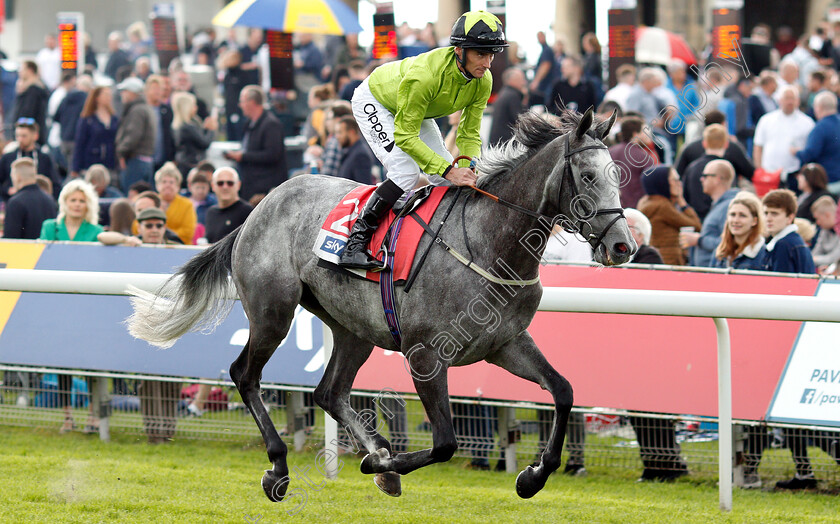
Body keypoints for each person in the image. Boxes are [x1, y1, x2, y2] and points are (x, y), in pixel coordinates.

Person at [339, 10, 507, 270]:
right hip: (376, 101)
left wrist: (470, 164)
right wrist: (450, 171)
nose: (487, 63)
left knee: (444, 175)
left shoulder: (483, 80)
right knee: (406, 172)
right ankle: (355, 243)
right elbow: (406, 137)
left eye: (492, 54)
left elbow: (469, 133)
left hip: (416, 109)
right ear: (460, 51)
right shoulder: (425, 75)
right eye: (481, 54)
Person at [224, 85, 287, 201]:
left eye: (242, 101)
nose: (240, 105)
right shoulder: (249, 123)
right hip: (250, 185)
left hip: (264, 188)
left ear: (251, 102)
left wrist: (242, 156)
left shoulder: (271, 124)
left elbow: (273, 154)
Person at [680, 159, 739, 267]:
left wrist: (699, 240)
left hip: (715, 274)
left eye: (706, 176)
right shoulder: (720, 205)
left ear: (717, 179)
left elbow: (730, 242)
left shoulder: (728, 206)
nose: (701, 179)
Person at [637, 165, 701, 266]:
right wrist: (682, 202)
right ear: (662, 183)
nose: (679, 183)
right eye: (675, 180)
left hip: (657, 259)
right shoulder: (663, 207)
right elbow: (696, 225)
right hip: (669, 262)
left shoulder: (646, 201)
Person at [674, 111, 754, 187]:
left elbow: (677, 175)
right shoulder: (732, 148)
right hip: (726, 195)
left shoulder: (690, 148)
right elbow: (750, 173)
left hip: (695, 197)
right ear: (723, 124)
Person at [753, 86, 814, 178]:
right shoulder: (766, 120)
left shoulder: (807, 122)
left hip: (795, 173)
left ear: (798, 101)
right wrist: (759, 170)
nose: (790, 102)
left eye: (792, 98)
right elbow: (758, 146)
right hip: (769, 172)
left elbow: (811, 150)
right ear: (779, 100)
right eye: (787, 98)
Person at [0, 119, 59, 201]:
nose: (20, 139)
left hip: (39, 203)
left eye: (24, 136)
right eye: (17, 136)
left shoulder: (44, 158)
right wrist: (7, 190)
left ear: (35, 136)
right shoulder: (8, 157)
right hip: (13, 202)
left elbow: (56, 185)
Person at [115, 77, 156, 192]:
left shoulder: (137, 110)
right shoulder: (145, 108)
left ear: (132, 92)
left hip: (135, 161)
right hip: (145, 160)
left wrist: (121, 153)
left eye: (125, 90)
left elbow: (133, 136)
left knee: (132, 195)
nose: (122, 94)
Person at [794, 91, 840, 193]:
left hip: (828, 181)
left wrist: (796, 152)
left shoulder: (820, 128)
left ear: (819, 107)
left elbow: (810, 154)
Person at [72, 85, 119, 180]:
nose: (108, 97)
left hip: (110, 162)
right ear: (97, 97)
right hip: (91, 161)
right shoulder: (88, 119)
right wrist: (75, 167)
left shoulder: (114, 118)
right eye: (105, 95)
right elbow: (80, 143)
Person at [3, 158, 57, 239]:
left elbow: (11, 239)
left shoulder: (15, 202)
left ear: (17, 177)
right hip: (46, 250)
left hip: (24, 251)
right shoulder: (50, 200)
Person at [609, 116, 656, 209]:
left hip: (611, 209)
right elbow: (652, 187)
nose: (649, 135)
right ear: (635, 134)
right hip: (637, 209)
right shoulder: (644, 157)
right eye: (645, 131)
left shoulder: (608, 152)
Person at [712, 191, 767, 270]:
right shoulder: (720, 251)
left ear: (754, 221)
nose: (736, 220)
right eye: (732, 214)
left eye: (742, 215)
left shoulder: (762, 254)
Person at [38, 179, 103, 242]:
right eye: (73, 200)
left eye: (82, 201)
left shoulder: (97, 231)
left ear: (88, 205)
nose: (77, 204)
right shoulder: (49, 227)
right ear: (64, 202)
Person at [172, 91, 217, 178]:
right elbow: (204, 143)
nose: (196, 108)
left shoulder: (179, 125)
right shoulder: (187, 127)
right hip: (191, 165)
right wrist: (211, 129)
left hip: (184, 163)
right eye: (193, 105)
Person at [204, 167, 253, 243]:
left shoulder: (247, 211)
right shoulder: (211, 212)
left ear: (238, 185)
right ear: (213, 186)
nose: (225, 187)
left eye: (230, 183)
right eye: (220, 183)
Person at [154, 162, 197, 244]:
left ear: (178, 186)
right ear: (157, 185)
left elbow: (188, 232)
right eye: (164, 182)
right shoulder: (151, 201)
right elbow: (137, 226)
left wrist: (160, 234)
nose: (168, 185)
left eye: (171, 182)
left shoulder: (187, 204)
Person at [10, 61, 49, 145]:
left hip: (29, 137)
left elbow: (28, 113)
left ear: (30, 70)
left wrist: (21, 132)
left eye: (22, 69)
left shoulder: (33, 91)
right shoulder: (27, 89)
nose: (20, 72)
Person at [489, 67, 527, 146]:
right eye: (522, 79)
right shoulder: (512, 96)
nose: (524, 82)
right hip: (506, 144)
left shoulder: (503, 93)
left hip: (498, 143)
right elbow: (521, 120)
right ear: (513, 80)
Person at [335, 116, 373, 184]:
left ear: (351, 132)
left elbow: (363, 186)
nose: (337, 137)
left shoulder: (360, 155)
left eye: (340, 132)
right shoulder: (351, 152)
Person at [809, 195, 840, 271]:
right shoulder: (824, 230)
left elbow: (835, 258)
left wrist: (814, 259)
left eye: (818, 218)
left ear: (827, 215)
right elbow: (814, 253)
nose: (817, 223)